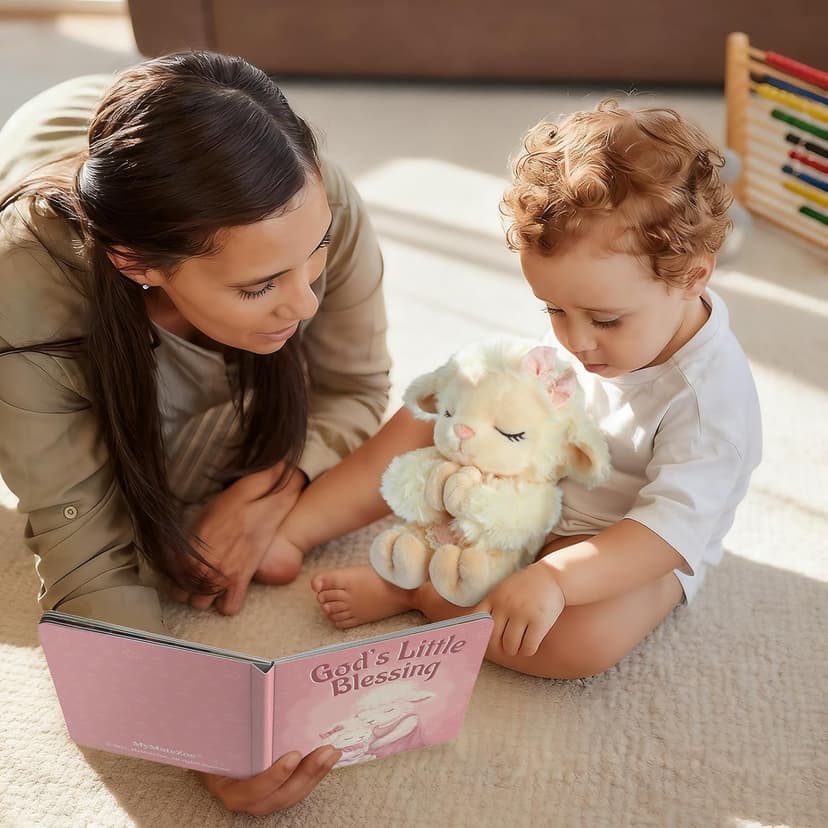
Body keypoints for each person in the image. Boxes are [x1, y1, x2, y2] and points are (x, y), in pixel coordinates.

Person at [0, 53, 393, 812]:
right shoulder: (24, 288)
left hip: (162, 131)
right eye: (260, 287)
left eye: (312, 263)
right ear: (135, 263)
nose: (306, 306)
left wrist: (281, 479)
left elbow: (358, 389)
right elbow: (89, 560)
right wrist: (195, 734)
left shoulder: (318, 199)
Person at [264, 99, 763, 680]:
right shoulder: (604, 309)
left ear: (692, 277)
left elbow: (666, 535)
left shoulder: (709, 403)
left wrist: (556, 576)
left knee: (580, 645)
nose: (576, 341)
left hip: (627, 544)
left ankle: (423, 595)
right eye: (554, 309)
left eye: (604, 320)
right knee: (441, 407)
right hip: (534, 476)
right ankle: (296, 529)